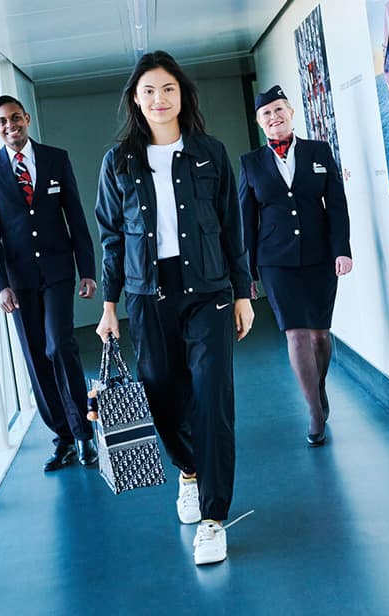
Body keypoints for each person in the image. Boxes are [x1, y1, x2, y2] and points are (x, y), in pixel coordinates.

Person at [95, 51, 254, 566]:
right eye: (148, 92)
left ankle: (213, 517)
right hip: (147, 296)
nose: (159, 99)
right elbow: (112, 239)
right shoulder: (117, 162)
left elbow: (232, 228)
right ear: (135, 102)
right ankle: (187, 470)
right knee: (162, 395)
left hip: (208, 292)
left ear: (181, 95)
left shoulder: (210, 153)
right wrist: (109, 305)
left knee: (212, 398)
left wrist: (243, 293)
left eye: (167, 89)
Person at [0, 95, 99, 472]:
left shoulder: (55, 159)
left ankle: (84, 435)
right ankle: (61, 437)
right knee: (35, 357)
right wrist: (1, 286)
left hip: (58, 272)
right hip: (19, 281)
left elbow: (75, 215)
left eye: (16, 118)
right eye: (2, 122)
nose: (11, 125)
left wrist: (87, 269)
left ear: (26, 119)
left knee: (60, 345)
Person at [238, 86, 352, 447]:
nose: (274, 117)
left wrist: (342, 250)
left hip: (320, 256)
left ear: (290, 112)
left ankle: (317, 390)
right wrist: (248, 273)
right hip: (275, 261)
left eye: (279, 110)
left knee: (320, 334)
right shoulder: (250, 163)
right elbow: (245, 217)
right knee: (296, 333)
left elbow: (336, 204)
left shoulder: (318, 152)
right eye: (266, 114)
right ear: (259, 123)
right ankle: (315, 413)